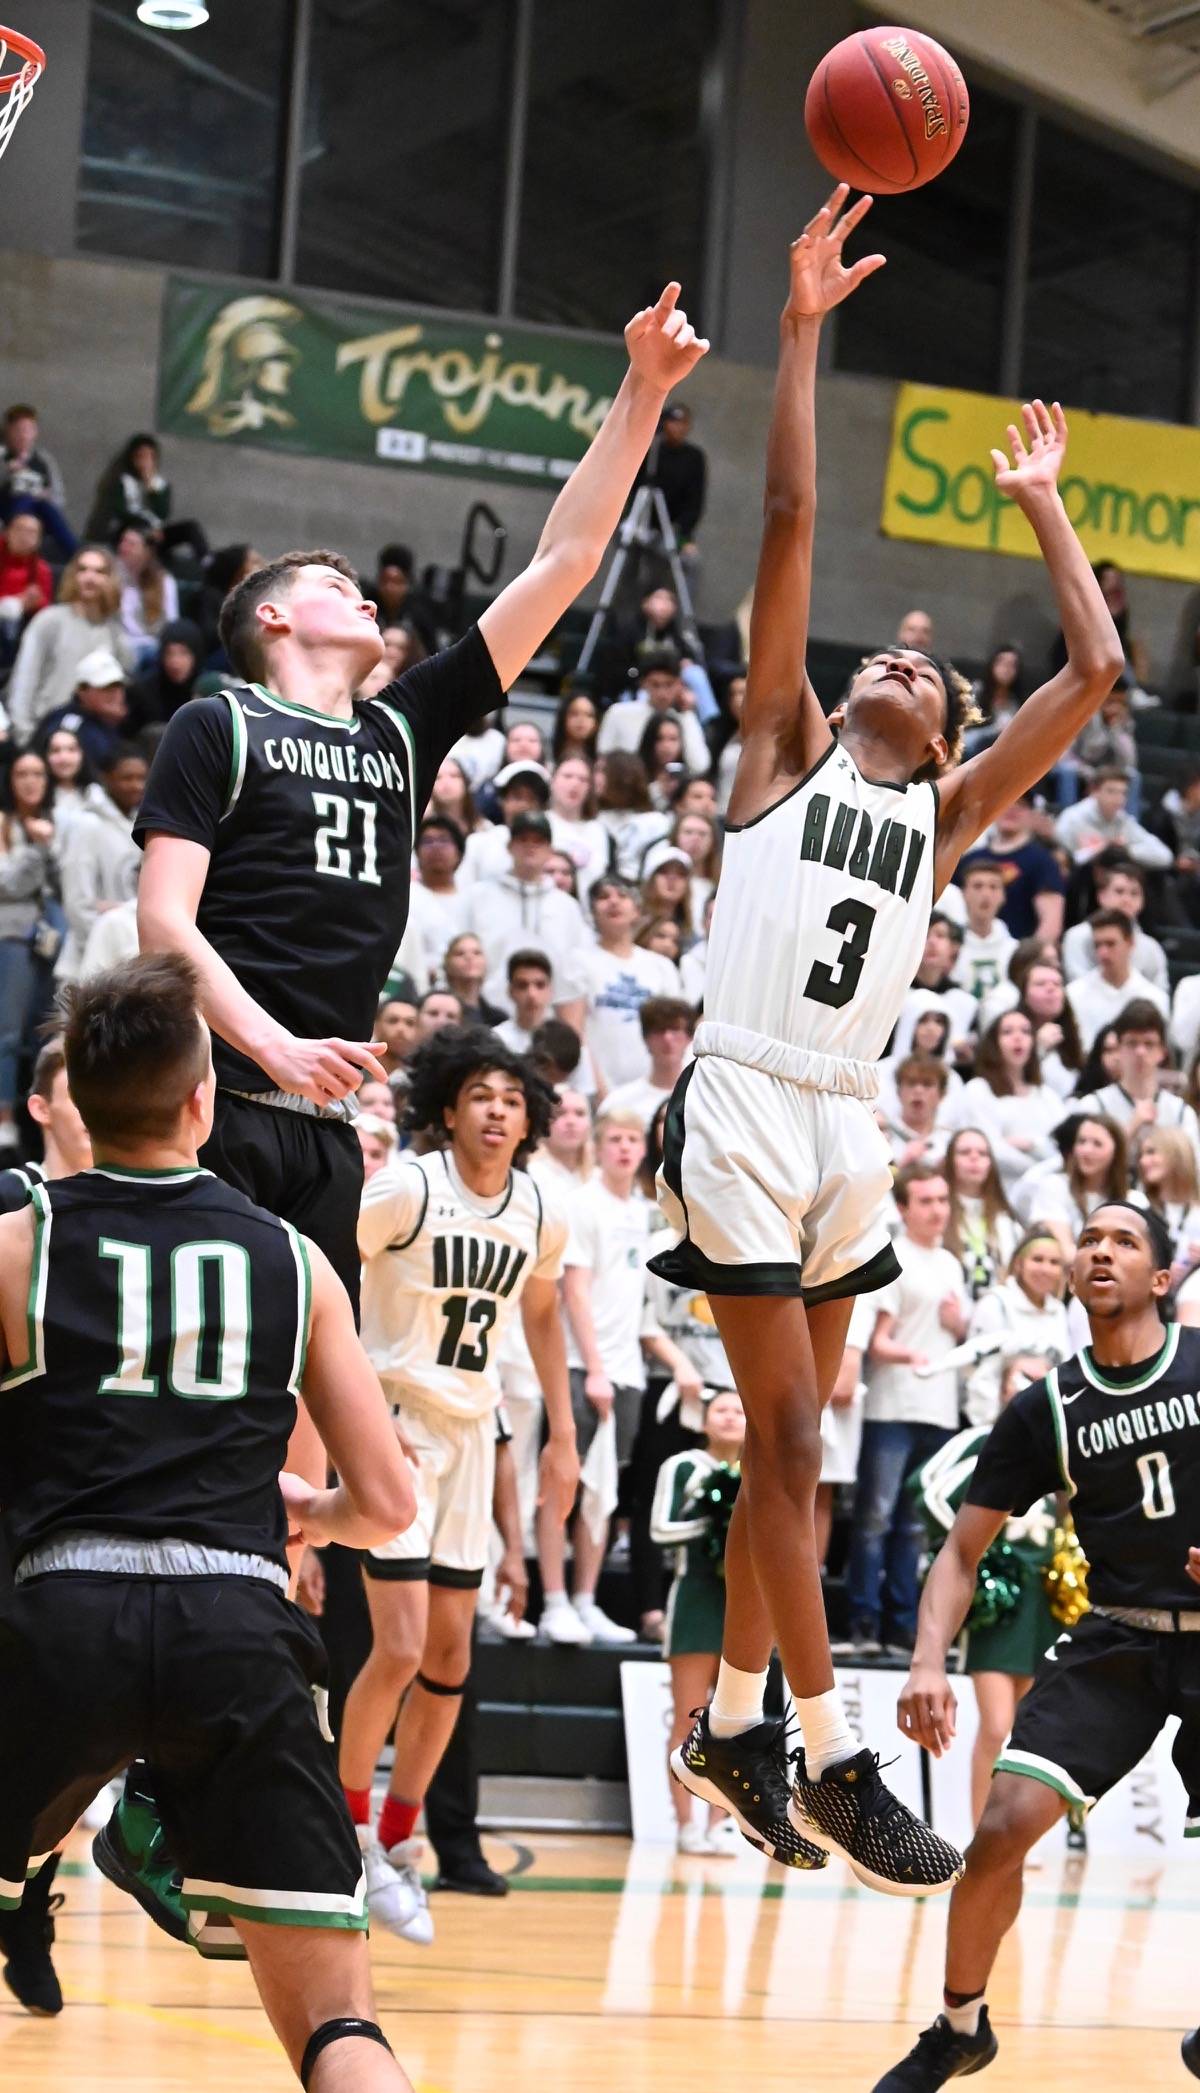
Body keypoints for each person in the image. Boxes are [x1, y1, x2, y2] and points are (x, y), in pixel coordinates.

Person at [658, 187, 1122, 1890]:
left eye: (935, 680)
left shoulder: (939, 819)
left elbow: (1094, 663)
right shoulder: (779, 746)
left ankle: (738, 1726)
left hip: (855, 1124)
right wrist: (796, 326)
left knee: (815, 1457)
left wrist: (1047, 507)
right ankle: (825, 1747)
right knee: (783, 1445)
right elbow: (786, 512)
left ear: (946, 750)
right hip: (748, 1094)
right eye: (897, 659)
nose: (909, 664)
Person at [0, 952, 419, 2089]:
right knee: (341, 2026)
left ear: (72, 1098)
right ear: (203, 1102)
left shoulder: (14, 1245)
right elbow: (389, 1504)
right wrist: (311, 1510)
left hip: (59, 1615)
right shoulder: (294, 1259)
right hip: (237, 1623)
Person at [882, 1203, 1200, 2092]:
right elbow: (959, 1550)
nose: (1101, 1250)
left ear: (1163, 1279)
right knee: (1001, 1824)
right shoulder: (1047, 1406)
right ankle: (957, 2027)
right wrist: (926, 1659)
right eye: (1088, 1240)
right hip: (1120, 1637)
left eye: (1125, 1240)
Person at [340, 1028, 578, 1944]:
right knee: (396, 1649)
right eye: (480, 1094)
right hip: (393, 1426)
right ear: (446, 1108)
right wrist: (355, 1405)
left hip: (473, 1433)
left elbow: (546, 1314)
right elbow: (325, 1271)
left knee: (450, 1663)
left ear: (530, 1121)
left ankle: (398, 1844)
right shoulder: (406, 1187)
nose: (496, 1109)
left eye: (512, 1099)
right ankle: (349, 1834)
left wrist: (560, 1432)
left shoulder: (539, 1211)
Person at [540, 1106, 700, 1647]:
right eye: (615, 1139)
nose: (626, 1148)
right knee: (564, 1485)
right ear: (599, 1145)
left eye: (633, 1139)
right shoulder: (580, 1205)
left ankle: (586, 1600)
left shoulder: (642, 1211)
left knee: (604, 1491)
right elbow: (574, 1292)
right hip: (585, 1367)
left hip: (628, 1372)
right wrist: (596, 1368)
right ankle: (554, 1600)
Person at [911, 1353, 1058, 1831]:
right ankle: (982, 1833)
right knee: (996, 1726)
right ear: (1001, 1386)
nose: (1030, 1385)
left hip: (1045, 1599)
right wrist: (978, 1552)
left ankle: (1012, 1835)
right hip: (1000, 1600)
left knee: (1028, 1733)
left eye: (1041, 1378)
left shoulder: (1058, 1445)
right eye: (1023, 1375)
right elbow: (927, 1491)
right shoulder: (980, 1440)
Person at [838, 1165, 968, 1660]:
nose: (937, 1210)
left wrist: (959, 1327)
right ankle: (864, 1620)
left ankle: (902, 1625)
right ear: (904, 1208)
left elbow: (952, 1333)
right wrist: (908, 1355)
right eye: (926, 1201)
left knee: (914, 1524)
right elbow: (878, 1341)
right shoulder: (893, 1257)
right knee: (875, 1517)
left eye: (942, 1199)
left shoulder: (951, 1264)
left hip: (937, 1407)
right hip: (892, 1406)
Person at [651, 1390, 746, 1856]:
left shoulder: (759, 1468)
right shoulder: (684, 1466)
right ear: (704, 1421)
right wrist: (717, 1523)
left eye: (739, 1410)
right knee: (690, 1717)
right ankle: (686, 1824)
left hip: (745, 1604)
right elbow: (660, 1529)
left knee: (734, 1722)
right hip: (695, 1598)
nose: (730, 1417)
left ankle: (720, 1823)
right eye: (721, 1410)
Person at [460, 812, 589, 1024]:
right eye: (523, 839)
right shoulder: (478, 897)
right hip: (485, 1017)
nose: (531, 846)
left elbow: (574, 976)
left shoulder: (566, 906)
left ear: (550, 850)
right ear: (510, 846)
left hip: (547, 1023)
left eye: (539, 841)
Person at [7, 549, 134, 746]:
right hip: (45, 732)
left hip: (93, 739)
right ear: (72, 576)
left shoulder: (115, 632)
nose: (89, 578)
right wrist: (24, 737)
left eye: (99, 572)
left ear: (111, 579)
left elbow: (122, 688)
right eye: (82, 570)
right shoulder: (49, 620)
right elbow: (24, 681)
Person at [583, 874, 681, 1094]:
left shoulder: (662, 967)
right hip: (597, 1089)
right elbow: (577, 1034)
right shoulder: (579, 963)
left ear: (637, 910)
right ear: (592, 911)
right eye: (604, 896)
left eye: (623, 896)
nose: (614, 902)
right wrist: (600, 1091)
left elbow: (675, 1032)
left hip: (655, 1091)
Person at [961, 1230, 1069, 1427]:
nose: (1046, 1269)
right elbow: (980, 1375)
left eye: (1054, 1262)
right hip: (999, 1428)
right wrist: (989, 1429)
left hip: (1046, 1431)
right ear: (1019, 1264)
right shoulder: (996, 1304)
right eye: (1037, 1259)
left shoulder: (1059, 1311)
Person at [950, 1012, 1064, 1199]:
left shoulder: (1047, 1095)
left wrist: (1032, 1144)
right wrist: (1040, 1167)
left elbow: (1063, 1146)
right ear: (993, 1043)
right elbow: (989, 1149)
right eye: (1007, 1032)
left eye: (1026, 1032)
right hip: (1001, 1192)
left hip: (1047, 1192)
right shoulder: (979, 1090)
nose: (1018, 1038)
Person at [1075, 998, 1200, 1167]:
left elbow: (1193, 1172)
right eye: (1132, 1043)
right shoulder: (1093, 1106)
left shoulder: (1181, 1113)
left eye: (1149, 1044)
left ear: (1162, 1052)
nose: (1140, 1052)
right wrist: (1131, 1128)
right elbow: (1081, 1168)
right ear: (1118, 1049)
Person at [1017, 1110, 1128, 1249]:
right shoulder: (1054, 1186)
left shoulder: (1133, 1200)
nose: (1086, 1150)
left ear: (1116, 1153)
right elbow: (1064, 1251)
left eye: (1097, 1144)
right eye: (1081, 1141)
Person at [962, 797, 1065, 942]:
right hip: (966, 948)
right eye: (1006, 803)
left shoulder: (1043, 861)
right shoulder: (969, 860)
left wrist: (1026, 959)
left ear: (1032, 814)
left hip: (1019, 952)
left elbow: (1051, 922)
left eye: (1021, 805)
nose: (1012, 810)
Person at [1066, 908, 1168, 1050]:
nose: (1103, 953)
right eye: (1098, 945)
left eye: (1110, 944)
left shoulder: (1154, 998)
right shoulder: (1074, 993)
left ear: (1130, 943)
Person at [596, 648, 710, 774]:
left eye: (669, 684)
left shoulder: (684, 718)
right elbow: (603, 757)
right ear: (643, 683)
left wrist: (687, 714)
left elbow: (700, 765)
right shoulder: (618, 713)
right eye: (655, 684)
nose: (662, 693)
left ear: (679, 684)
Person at [1061, 858, 1167, 990]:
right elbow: (1076, 984)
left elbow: (1159, 992)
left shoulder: (1151, 947)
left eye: (1134, 893)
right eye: (1119, 891)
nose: (1126, 899)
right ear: (1101, 895)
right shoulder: (1077, 936)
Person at [941, 1127, 1020, 1302]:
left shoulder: (1007, 1221)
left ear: (991, 1163)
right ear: (949, 1161)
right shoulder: (937, 1213)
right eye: (964, 1152)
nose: (974, 1158)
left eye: (983, 1153)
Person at [602, 995, 696, 1128]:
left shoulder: (703, 1098)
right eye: (659, 1030)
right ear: (646, 1037)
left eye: (675, 1029)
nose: (667, 1038)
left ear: (689, 1037)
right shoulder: (618, 1103)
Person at [1054, 766, 1171, 872]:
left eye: (1123, 793)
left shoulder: (1123, 820)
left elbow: (1165, 856)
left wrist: (1124, 851)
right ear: (1094, 791)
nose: (1119, 799)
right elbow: (1059, 857)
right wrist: (1103, 850)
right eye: (1111, 791)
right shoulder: (1072, 818)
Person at [0, 403, 74, 557]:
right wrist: (8, 471)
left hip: (39, 514)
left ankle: (77, 554)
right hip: (8, 511)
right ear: (8, 432)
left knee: (44, 506)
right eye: (18, 430)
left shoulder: (43, 460)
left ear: (35, 432)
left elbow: (58, 496)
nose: (23, 436)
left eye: (27, 430)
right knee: (25, 498)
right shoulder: (3, 457)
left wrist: (47, 495)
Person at [951, 859, 1015, 1004]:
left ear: (1003, 896)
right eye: (977, 886)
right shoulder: (950, 947)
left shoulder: (1014, 949)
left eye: (993, 887)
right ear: (963, 894)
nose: (986, 894)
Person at [494, 948, 554, 1054]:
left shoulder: (566, 1040)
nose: (531, 994)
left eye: (540, 985)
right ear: (510, 991)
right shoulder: (497, 1040)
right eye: (522, 986)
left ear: (550, 990)